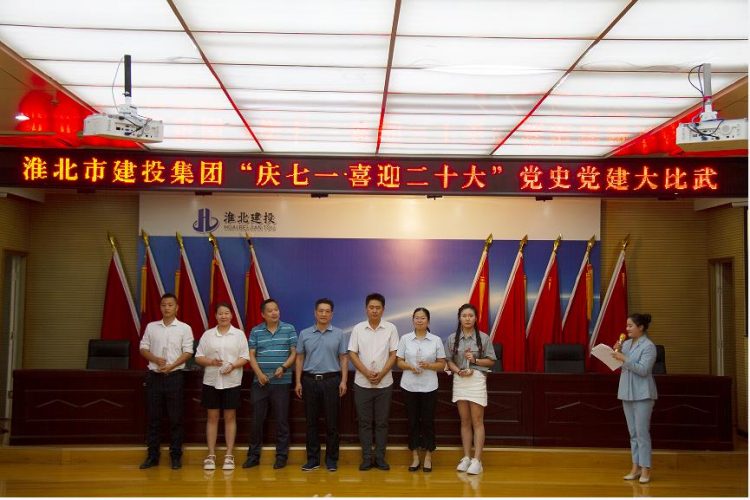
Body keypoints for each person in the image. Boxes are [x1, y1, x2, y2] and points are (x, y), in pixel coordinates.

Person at [138, 293, 194, 470]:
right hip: (154, 377)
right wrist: (155, 359)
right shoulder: (151, 327)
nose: (167, 308)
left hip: (175, 377)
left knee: (176, 419)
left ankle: (175, 456)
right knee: (153, 418)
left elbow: (188, 352)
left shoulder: (184, 328)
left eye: (170, 305)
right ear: (160, 307)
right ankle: (152, 456)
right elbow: (143, 348)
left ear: (177, 308)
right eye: (163, 305)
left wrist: (171, 366)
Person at [294, 298, 349, 472]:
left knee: (332, 423)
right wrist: (298, 381)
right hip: (309, 381)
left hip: (331, 381)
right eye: (321, 311)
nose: (324, 314)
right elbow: (299, 358)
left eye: (327, 311)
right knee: (311, 423)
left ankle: (331, 459)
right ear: (315, 313)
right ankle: (313, 460)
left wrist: (344, 381)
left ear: (332, 314)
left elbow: (343, 358)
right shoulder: (304, 334)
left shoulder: (339, 334)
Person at [194, 303, 250, 471]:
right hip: (211, 381)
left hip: (232, 381)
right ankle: (211, 455)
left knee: (230, 417)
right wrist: (211, 361)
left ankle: (229, 455)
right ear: (216, 316)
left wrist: (232, 365)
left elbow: (245, 357)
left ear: (231, 315)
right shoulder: (208, 335)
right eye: (220, 313)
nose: (223, 316)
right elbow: (198, 357)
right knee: (212, 417)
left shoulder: (239, 334)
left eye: (226, 313)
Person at [243, 298, 298, 469]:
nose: (274, 313)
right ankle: (253, 456)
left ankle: (281, 456)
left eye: (276, 309)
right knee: (256, 420)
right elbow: (251, 355)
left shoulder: (289, 329)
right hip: (260, 382)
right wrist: (259, 374)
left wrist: (284, 367)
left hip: (282, 382)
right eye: (270, 311)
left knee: (282, 420)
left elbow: (294, 353)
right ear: (263, 314)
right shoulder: (256, 331)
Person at [348, 292, 399, 471]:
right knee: (364, 422)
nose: (374, 310)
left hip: (385, 384)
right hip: (362, 383)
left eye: (378, 308)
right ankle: (367, 458)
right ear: (366, 309)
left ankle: (380, 458)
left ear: (383, 309)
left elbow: (394, 354)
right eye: (371, 307)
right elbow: (352, 353)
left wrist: (382, 373)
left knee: (382, 422)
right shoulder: (358, 328)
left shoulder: (391, 328)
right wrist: (366, 372)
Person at [444, 303, 496, 475]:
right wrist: (458, 371)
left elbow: (491, 361)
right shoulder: (452, 338)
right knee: (465, 421)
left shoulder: (484, 338)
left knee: (477, 421)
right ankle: (466, 457)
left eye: (471, 316)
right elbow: (448, 361)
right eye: (464, 316)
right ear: (459, 318)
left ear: (475, 318)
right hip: (460, 379)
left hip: (476, 380)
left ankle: (477, 460)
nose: (467, 319)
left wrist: (475, 361)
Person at [395, 307, 446, 472]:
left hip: (429, 387)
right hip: (409, 386)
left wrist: (429, 365)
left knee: (428, 422)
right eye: (416, 318)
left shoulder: (436, 340)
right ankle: (415, 456)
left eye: (423, 318)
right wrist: (410, 366)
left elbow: (442, 364)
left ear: (428, 321)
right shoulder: (405, 338)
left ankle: (429, 456)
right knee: (412, 422)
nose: (419, 320)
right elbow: (399, 362)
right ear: (413, 320)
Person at [612, 313, 658, 484]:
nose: (627, 329)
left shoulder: (649, 346)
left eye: (630, 326)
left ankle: (646, 469)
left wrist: (624, 358)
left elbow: (643, 370)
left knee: (641, 433)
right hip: (627, 392)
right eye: (627, 325)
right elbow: (620, 365)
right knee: (633, 433)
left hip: (643, 394)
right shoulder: (626, 344)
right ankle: (635, 467)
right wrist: (615, 352)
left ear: (641, 327)